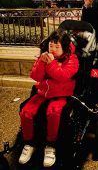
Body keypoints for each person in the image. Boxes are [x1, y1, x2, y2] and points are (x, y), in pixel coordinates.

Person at [18, 29, 79, 167]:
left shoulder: (72, 59)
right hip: (42, 93)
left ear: (65, 47)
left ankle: (51, 146)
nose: (53, 49)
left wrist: (50, 64)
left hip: (60, 94)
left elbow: (63, 76)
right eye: (51, 45)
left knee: (53, 113)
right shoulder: (44, 57)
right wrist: (41, 62)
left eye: (57, 47)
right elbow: (35, 76)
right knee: (26, 112)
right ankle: (29, 143)